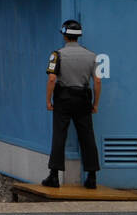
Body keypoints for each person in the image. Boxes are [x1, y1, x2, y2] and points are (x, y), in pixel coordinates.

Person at [42, 19, 101, 189]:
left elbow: (52, 79)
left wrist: (48, 100)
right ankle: (92, 177)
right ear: (79, 36)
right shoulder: (92, 56)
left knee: (59, 134)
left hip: (63, 98)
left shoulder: (57, 55)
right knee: (87, 135)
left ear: (65, 36)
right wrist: (95, 103)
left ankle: (54, 176)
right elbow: (97, 81)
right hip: (83, 98)